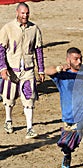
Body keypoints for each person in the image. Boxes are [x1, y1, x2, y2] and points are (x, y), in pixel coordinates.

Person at [0, 2, 45, 138]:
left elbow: (38, 50)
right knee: (9, 97)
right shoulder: (8, 28)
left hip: (28, 69)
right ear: (17, 13)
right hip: (11, 69)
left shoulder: (34, 29)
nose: (25, 16)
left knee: (29, 98)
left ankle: (29, 128)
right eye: (22, 13)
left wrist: (41, 70)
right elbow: (1, 50)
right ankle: (8, 120)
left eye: (27, 13)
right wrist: (2, 68)